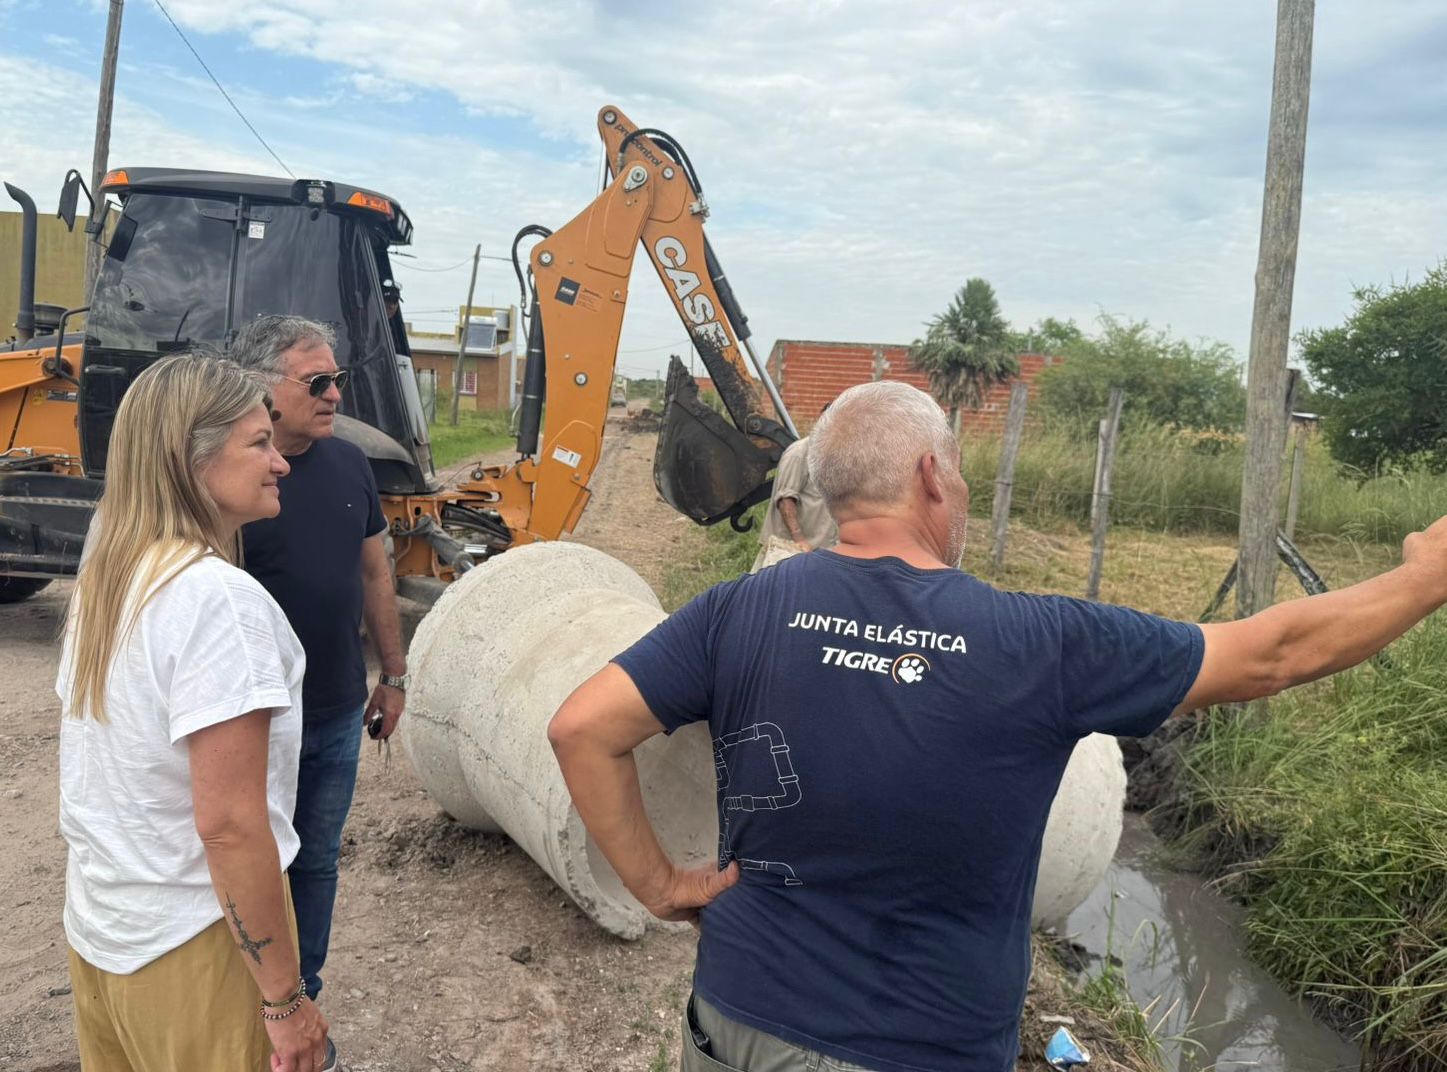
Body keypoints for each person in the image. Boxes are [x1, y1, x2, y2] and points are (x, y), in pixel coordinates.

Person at [549, 380, 1447, 1072]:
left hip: (731, 1020)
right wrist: (1420, 578)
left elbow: (582, 728)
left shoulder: (736, 610)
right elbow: (1273, 653)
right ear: (932, 477)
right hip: (911, 1044)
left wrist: (662, 886)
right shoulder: (1042, 641)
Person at [58, 355, 327, 1071]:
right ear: (190, 459)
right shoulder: (217, 602)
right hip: (196, 947)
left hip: (105, 939)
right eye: (257, 443)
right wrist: (283, 999)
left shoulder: (111, 579)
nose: (281, 463)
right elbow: (231, 825)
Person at [230, 315, 408, 1005]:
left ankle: (301, 998)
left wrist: (391, 676)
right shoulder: (228, 477)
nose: (336, 394)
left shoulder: (350, 463)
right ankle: (247, 1004)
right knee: (247, 863)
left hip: (334, 713)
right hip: (251, 722)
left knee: (316, 863)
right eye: (319, 381)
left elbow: (375, 575)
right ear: (262, 387)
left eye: (339, 379)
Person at [752, 408, 838, 571]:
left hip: (817, 555)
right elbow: (785, 500)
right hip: (789, 552)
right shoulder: (799, 453)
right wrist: (800, 541)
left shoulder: (831, 457)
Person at [381, 277, 410, 357]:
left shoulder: (394, 330)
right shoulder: (367, 327)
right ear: (379, 300)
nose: (392, 306)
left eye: (395, 301)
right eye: (388, 300)